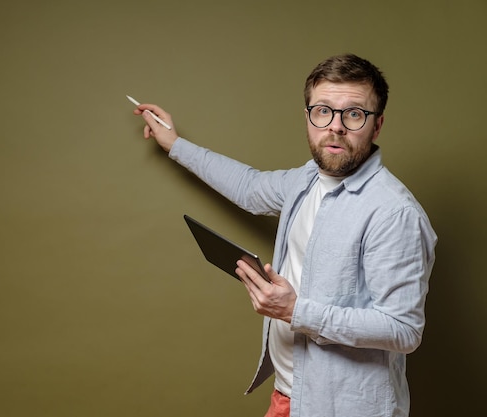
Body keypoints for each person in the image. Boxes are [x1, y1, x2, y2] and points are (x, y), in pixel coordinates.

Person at [131, 53, 437, 417]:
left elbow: (403, 329)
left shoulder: (394, 212)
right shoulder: (306, 180)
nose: (335, 127)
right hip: (289, 394)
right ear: (308, 116)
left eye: (354, 114)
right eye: (323, 110)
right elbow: (248, 186)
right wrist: (175, 144)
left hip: (344, 409)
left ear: (377, 124)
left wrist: (295, 311)